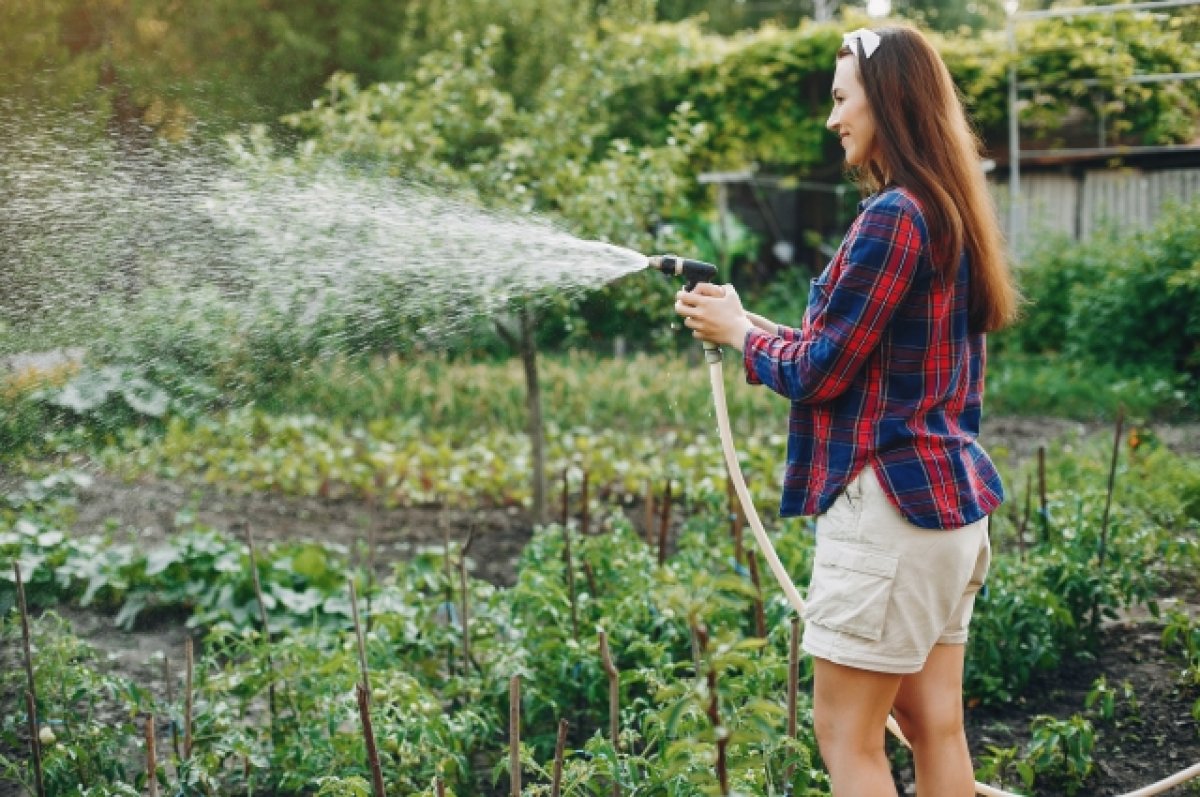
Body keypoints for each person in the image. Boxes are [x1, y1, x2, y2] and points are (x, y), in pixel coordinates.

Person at [673, 23, 1020, 797]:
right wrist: (746, 325)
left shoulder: (894, 216)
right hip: (949, 512)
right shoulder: (948, 209)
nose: (833, 119)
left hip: (890, 512)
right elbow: (851, 350)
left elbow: (822, 370)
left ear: (888, 100)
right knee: (937, 727)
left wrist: (739, 339)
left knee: (847, 737)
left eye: (841, 98)